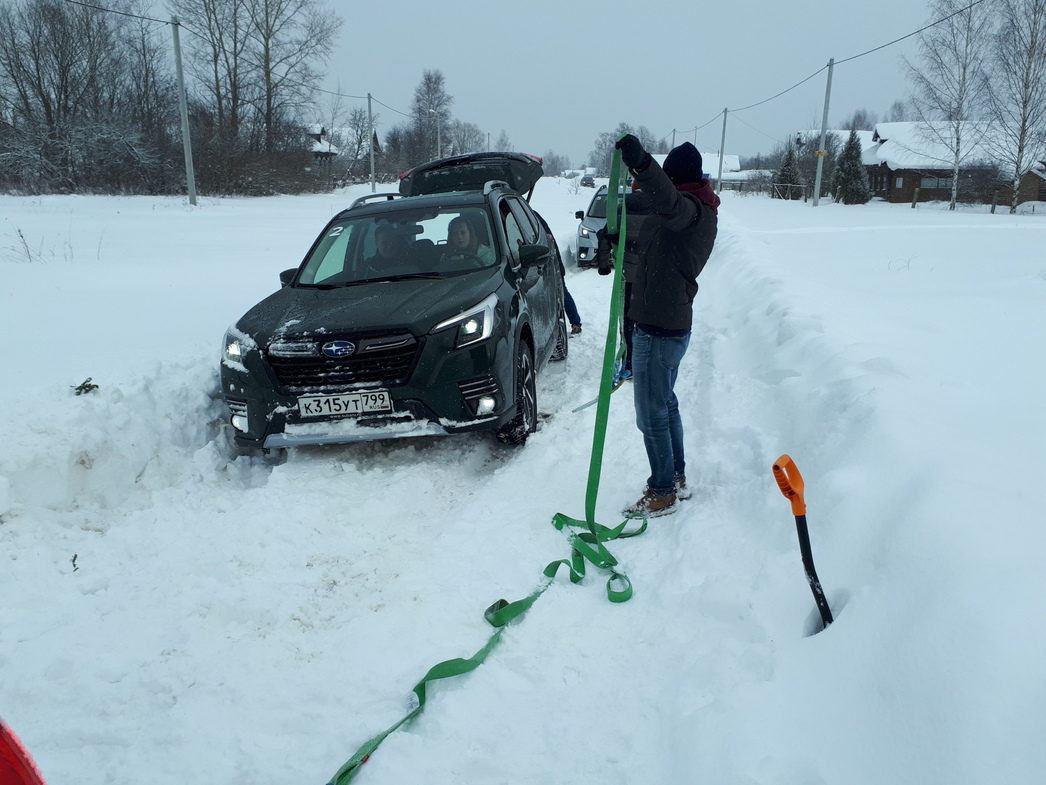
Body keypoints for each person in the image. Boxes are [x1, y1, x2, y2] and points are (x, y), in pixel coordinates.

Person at [610, 134, 720, 519]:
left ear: (675, 180)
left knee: (650, 412)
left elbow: (668, 202)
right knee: (665, 404)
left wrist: (642, 164)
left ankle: (662, 492)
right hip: (661, 323)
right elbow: (656, 254)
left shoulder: (690, 210)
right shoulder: (693, 211)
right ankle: (675, 475)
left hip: (660, 329)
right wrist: (618, 243)